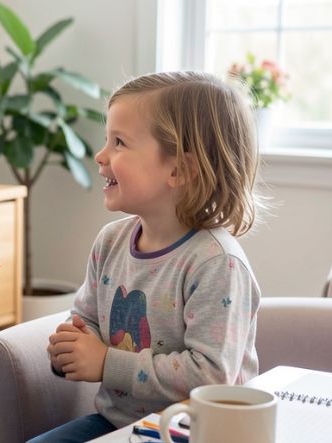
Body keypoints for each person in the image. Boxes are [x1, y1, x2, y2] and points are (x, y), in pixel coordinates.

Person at [30, 71, 266, 443]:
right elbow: (86, 318)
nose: (100, 155)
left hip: (198, 432)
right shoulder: (110, 242)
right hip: (117, 424)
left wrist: (107, 363)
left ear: (180, 169)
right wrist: (73, 346)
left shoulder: (217, 263)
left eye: (119, 143)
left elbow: (211, 376)